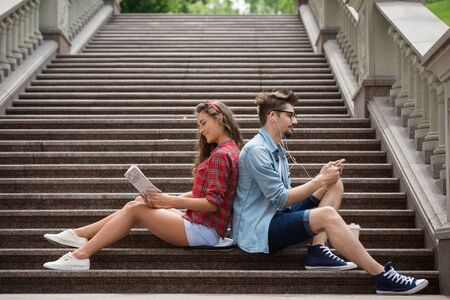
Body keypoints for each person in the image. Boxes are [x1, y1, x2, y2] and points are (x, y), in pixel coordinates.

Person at [232, 89, 429, 295]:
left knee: (334, 184)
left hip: (277, 216)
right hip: (258, 231)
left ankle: (318, 250)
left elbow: (285, 201)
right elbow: (281, 199)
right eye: (290, 115)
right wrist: (319, 180)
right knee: (326, 213)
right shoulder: (257, 150)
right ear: (273, 115)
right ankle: (382, 276)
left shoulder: (276, 148)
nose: (295, 121)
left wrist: (324, 180)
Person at [43, 100, 243, 271]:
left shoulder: (221, 156)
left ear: (219, 118)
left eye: (203, 123)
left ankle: (80, 255)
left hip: (204, 230)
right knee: (139, 201)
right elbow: (207, 192)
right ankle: (80, 234)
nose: (201, 130)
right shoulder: (229, 150)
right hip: (202, 225)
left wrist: (170, 201)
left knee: (136, 210)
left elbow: (213, 202)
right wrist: (166, 201)